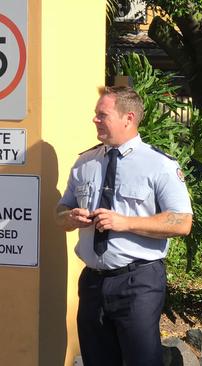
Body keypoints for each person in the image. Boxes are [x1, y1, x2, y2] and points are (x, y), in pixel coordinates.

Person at [56, 86, 193, 366]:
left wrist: (125, 223)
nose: (94, 119)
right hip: (93, 282)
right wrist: (68, 218)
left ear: (128, 118)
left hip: (138, 282)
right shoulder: (84, 163)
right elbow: (61, 210)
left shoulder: (159, 165)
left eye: (101, 114)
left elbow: (182, 222)